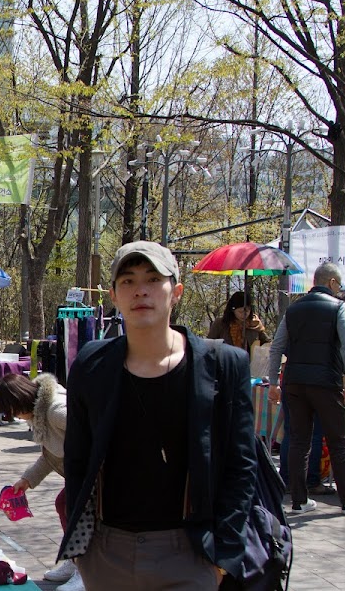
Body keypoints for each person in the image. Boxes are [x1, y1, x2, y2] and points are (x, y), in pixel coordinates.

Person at [59, 241, 256, 590]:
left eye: (153, 279)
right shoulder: (92, 364)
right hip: (107, 554)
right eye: (128, 281)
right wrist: (83, 552)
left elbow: (240, 467)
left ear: (176, 291)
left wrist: (221, 559)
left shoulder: (223, 365)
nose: (141, 291)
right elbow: (77, 459)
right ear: (114, 296)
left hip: (190, 553)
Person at [267, 262, 345, 516]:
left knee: (298, 440)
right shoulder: (339, 307)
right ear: (331, 283)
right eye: (339, 284)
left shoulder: (293, 309)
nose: (339, 289)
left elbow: (276, 347)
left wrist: (274, 382)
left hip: (294, 383)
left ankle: (298, 501)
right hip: (325, 382)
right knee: (339, 440)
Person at [0, 372, 80, 591]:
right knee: (64, 505)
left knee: (73, 509)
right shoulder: (40, 415)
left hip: (95, 474)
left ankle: (86, 570)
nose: (15, 418)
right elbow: (51, 455)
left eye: (11, 412)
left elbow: (94, 434)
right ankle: (75, 559)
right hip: (80, 475)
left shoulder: (56, 412)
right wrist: (27, 480)